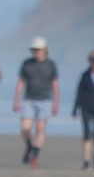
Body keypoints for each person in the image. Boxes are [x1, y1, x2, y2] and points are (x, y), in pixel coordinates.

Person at [14, 37, 60, 168]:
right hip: (29, 99)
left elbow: (55, 84)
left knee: (40, 129)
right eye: (34, 50)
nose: (36, 52)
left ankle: (34, 156)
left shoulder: (51, 64)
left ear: (45, 50)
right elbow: (21, 82)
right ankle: (29, 147)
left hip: (45, 100)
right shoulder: (27, 64)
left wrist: (56, 103)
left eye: (38, 50)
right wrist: (16, 99)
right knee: (25, 128)